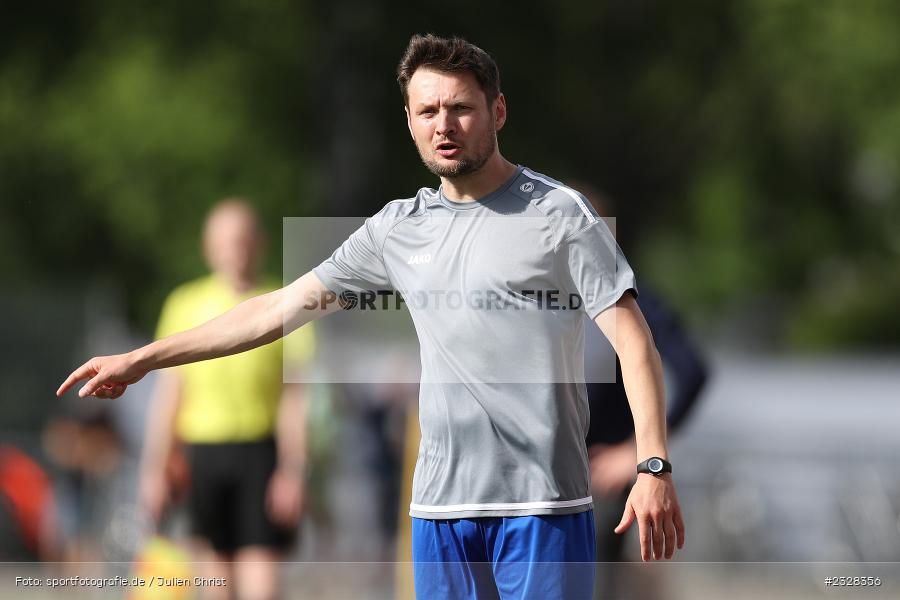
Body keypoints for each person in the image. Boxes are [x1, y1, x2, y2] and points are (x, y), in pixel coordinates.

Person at [57, 35, 685, 600]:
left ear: (497, 112)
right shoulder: (396, 229)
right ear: (409, 121)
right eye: (428, 111)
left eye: (461, 108)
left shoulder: (560, 214)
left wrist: (652, 464)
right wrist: (144, 357)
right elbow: (275, 310)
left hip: (543, 506)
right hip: (439, 509)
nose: (445, 125)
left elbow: (635, 345)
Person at [137, 200, 315, 600]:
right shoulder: (185, 303)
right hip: (202, 454)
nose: (236, 250)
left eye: (243, 240)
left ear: (260, 243)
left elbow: (294, 401)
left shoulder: (282, 302)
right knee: (215, 584)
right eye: (226, 241)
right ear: (209, 247)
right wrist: (155, 468)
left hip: (259, 453)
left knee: (261, 586)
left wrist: (293, 470)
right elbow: (170, 394)